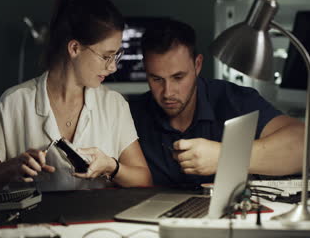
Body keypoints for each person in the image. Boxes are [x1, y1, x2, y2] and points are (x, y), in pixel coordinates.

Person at [0, 0, 152, 191]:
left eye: (116, 56)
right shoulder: (14, 102)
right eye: (106, 56)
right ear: (74, 48)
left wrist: (112, 166)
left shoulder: (114, 105)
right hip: (31, 222)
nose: (113, 66)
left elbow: (143, 179)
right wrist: (12, 168)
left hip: (97, 220)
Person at [129, 17, 304, 187]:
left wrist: (225, 156)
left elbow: (303, 144)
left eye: (178, 77)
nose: (168, 92)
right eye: (156, 79)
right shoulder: (131, 115)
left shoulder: (233, 99)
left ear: (197, 65)